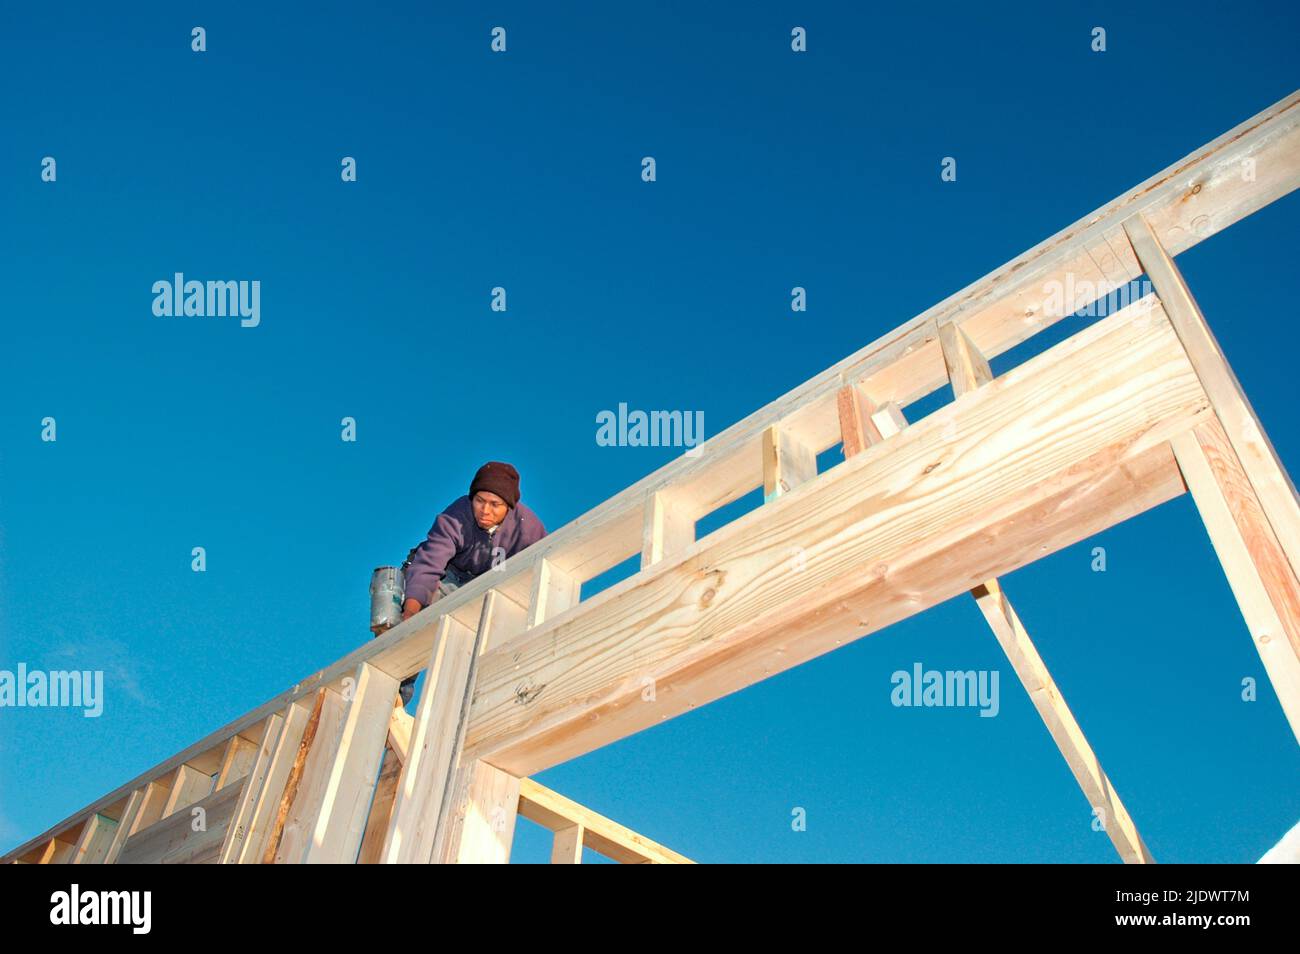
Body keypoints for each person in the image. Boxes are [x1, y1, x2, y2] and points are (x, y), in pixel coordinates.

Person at [395, 461, 547, 704]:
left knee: (487, 642)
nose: (485, 511)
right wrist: (411, 612)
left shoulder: (528, 530)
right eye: (479, 501)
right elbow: (430, 562)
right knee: (410, 618)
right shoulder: (457, 515)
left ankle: (484, 704)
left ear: (509, 507)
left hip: (490, 587)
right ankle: (395, 697)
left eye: (494, 505)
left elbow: (542, 575)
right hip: (449, 576)